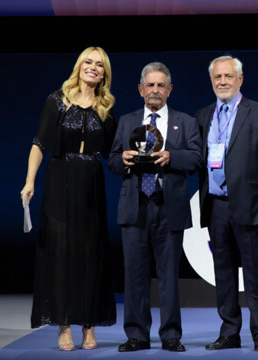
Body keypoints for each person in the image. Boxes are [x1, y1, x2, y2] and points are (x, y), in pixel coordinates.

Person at [20, 46, 117, 351]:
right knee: (61, 254)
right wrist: (29, 181)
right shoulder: (57, 100)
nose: (93, 67)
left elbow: (114, 153)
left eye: (99, 65)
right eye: (88, 62)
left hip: (91, 181)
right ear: (78, 67)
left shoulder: (106, 108)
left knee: (90, 254)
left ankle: (88, 324)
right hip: (61, 178)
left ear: (104, 73)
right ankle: (64, 325)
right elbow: (39, 144)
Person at [108, 62, 203, 352]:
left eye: (161, 85)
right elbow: (111, 160)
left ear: (169, 89)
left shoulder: (184, 122)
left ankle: (171, 335)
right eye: (150, 85)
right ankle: (136, 335)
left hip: (168, 206)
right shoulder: (126, 121)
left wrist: (171, 157)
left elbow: (197, 159)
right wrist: (122, 160)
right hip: (134, 207)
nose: (155, 91)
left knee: (169, 277)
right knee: (134, 275)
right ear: (140, 89)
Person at [196, 55, 258, 352]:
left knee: (255, 274)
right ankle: (229, 332)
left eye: (228, 77)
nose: (223, 82)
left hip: (250, 207)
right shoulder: (203, 115)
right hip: (216, 206)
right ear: (212, 81)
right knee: (223, 274)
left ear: (240, 79)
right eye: (218, 77)